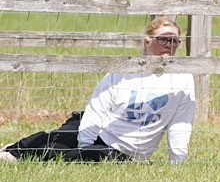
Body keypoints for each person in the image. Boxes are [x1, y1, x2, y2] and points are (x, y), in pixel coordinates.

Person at [1, 18, 196, 164]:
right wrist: (84, 145)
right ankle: (11, 150)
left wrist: (178, 162)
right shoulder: (124, 70)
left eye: (174, 41)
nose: (169, 46)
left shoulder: (183, 79)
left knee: (66, 159)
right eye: (163, 40)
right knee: (50, 141)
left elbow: (180, 124)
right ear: (147, 42)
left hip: (122, 152)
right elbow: (97, 108)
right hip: (95, 129)